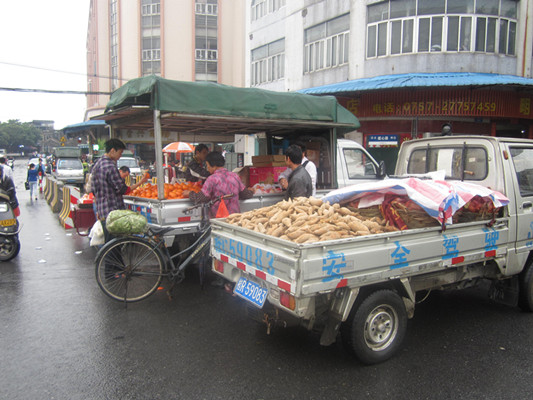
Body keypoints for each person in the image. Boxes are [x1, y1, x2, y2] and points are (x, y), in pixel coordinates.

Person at [91, 139, 149, 223]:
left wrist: (97, 210)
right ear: (112, 151)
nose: (120, 155)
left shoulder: (97, 164)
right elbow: (123, 190)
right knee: (115, 235)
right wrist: (140, 182)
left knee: (106, 234)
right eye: (120, 152)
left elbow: (94, 190)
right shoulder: (110, 166)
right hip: (113, 212)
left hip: (102, 210)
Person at [183, 151, 254, 218]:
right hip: (234, 217)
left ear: (213, 165)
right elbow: (245, 194)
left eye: (207, 165)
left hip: (219, 217)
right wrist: (251, 191)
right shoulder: (234, 176)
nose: (207, 168)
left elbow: (202, 198)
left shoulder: (212, 179)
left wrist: (189, 193)